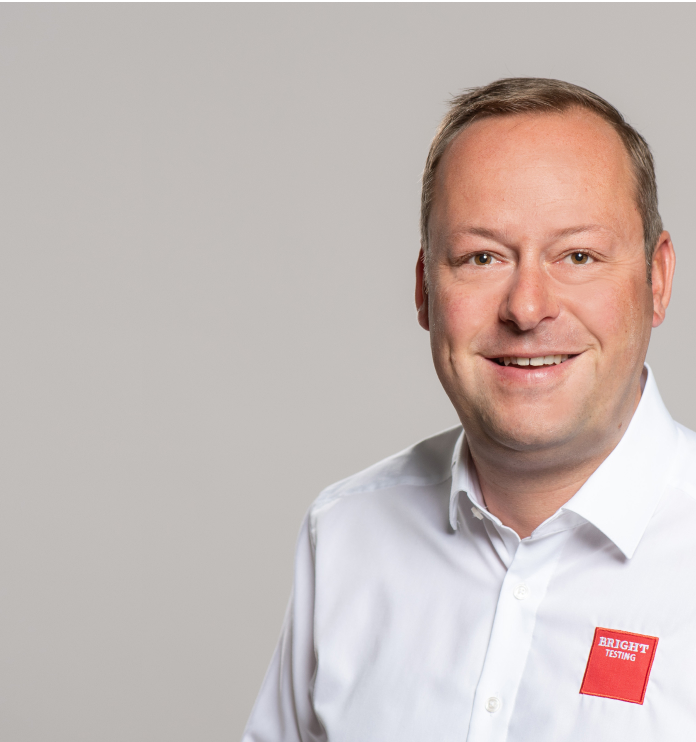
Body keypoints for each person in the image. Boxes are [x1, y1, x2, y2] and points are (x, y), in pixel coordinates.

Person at [241, 78, 696, 741]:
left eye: (577, 255)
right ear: (424, 289)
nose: (527, 308)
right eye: (482, 257)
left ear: (656, 279)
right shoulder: (345, 535)